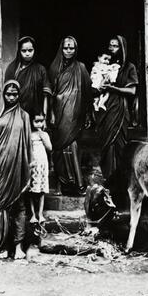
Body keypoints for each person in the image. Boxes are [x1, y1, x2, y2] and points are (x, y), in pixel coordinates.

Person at [0, 80, 32, 260]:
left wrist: (31, 168)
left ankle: (19, 246)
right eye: (8, 94)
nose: (12, 97)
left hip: (19, 166)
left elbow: (28, 145)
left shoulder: (24, 116)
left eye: (15, 94)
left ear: (19, 95)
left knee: (19, 206)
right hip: (0, 166)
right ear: (3, 95)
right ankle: (3, 245)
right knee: (1, 206)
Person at [49, 36, 92, 196]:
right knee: (59, 149)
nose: (68, 51)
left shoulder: (81, 68)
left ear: (75, 50)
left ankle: (78, 184)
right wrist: (51, 114)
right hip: (59, 113)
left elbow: (88, 93)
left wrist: (87, 114)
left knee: (72, 146)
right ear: (61, 48)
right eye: (66, 48)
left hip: (75, 114)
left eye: (71, 48)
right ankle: (63, 184)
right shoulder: (54, 68)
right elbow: (50, 94)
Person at [95, 36, 138, 187]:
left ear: (122, 48)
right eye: (110, 45)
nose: (112, 49)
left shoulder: (129, 67)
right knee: (106, 143)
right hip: (105, 109)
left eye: (116, 46)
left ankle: (118, 182)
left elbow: (132, 91)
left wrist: (114, 89)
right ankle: (107, 179)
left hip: (119, 107)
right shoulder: (105, 65)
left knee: (117, 143)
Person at [5, 36, 52, 122]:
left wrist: (44, 117)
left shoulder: (41, 70)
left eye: (30, 50)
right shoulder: (13, 69)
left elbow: (46, 96)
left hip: (36, 116)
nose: (27, 53)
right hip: (17, 115)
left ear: (35, 50)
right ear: (19, 51)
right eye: (24, 51)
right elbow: (7, 95)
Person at [29, 113, 52, 226]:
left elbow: (49, 148)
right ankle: (33, 214)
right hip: (33, 163)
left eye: (41, 121)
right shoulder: (29, 134)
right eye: (36, 121)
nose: (39, 124)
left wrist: (43, 136)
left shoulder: (44, 134)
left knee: (42, 189)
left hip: (42, 162)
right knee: (32, 189)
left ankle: (40, 213)